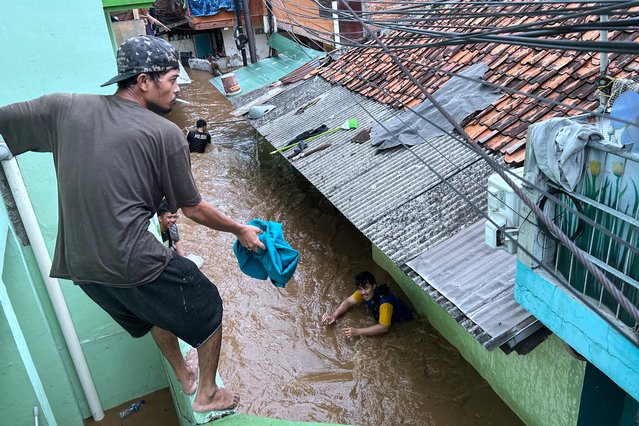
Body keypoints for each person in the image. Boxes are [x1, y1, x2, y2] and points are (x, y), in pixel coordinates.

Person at [0, 35, 265, 413]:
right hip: (129, 261)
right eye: (173, 79)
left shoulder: (65, 108)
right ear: (144, 81)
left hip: (79, 268)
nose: (179, 88)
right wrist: (240, 229)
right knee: (208, 305)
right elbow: (193, 209)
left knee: (155, 310)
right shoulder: (166, 134)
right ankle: (206, 392)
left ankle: (183, 374)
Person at [322, 271, 412, 337]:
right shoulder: (363, 292)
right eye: (360, 289)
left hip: (403, 321)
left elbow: (384, 327)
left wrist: (358, 331)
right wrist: (334, 315)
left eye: (366, 288)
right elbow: (348, 302)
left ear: (374, 285)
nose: (363, 292)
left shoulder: (385, 303)